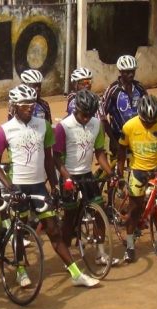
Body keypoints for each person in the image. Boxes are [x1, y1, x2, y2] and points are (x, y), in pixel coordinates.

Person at [0, 84, 99, 288]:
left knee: (54, 230)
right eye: (24, 105)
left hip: (39, 187)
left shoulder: (44, 126)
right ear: (14, 106)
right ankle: (21, 270)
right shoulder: (4, 131)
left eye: (31, 104)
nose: (29, 108)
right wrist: (9, 186)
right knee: (20, 231)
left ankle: (76, 274)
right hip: (18, 187)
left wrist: (54, 186)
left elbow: (49, 160)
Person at [54, 90, 119, 265]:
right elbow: (56, 157)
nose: (86, 119)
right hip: (69, 175)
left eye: (90, 115)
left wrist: (110, 173)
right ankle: (66, 256)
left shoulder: (97, 124)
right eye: (83, 115)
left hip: (87, 175)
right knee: (70, 216)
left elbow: (99, 152)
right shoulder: (64, 127)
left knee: (100, 211)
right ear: (76, 109)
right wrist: (67, 178)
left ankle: (100, 253)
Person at [117, 95, 157, 264]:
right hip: (137, 171)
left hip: (156, 170)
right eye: (146, 121)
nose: (149, 124)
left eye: (152, 121)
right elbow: (121, 152)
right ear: (140, 116)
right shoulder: (129, 126)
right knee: (134, 210)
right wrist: (120, 175)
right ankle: (129, 246)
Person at [100, 55, 148, 157]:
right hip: (118, 136)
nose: (131, 75)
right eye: (127, 72)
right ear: (120, 72)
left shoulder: (140, 88)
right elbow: (102, 116)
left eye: (133, 71)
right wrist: (112, 140)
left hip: (138, 136)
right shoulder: (112, 90)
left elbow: (148, 110)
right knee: (117, 169)